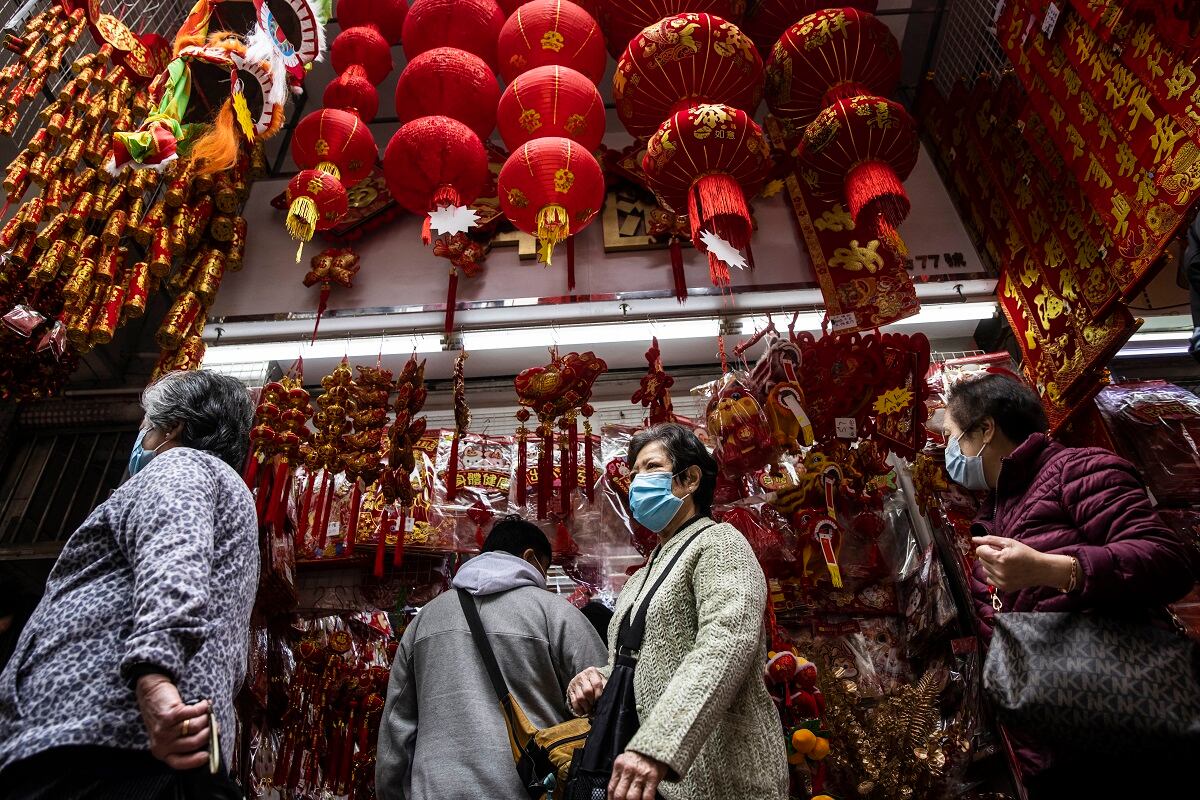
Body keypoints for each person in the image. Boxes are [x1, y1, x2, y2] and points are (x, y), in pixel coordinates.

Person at [0, 370, 258, 798]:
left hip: (112, 741)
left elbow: (173, 564)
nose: (139, 437)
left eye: (144, 425)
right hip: (145, 743)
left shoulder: (183, 465)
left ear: (172, 427)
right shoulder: (221, 487)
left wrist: (155, 681)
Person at [943, 372, 1195, 796]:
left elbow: (1167, 561)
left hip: (1125, 721)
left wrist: (1056, 569)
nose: (951, 453)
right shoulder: (997, 510)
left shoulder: (1078, 470)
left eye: (954, 437)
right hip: (1051, 746)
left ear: (986, 429)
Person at [567, 423, 788, 800]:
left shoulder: (720, 542)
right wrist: (599, 677)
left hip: (717, 777)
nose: (636, 483)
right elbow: (647, 660)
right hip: (650, 781)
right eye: (634, 473)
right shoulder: (643, 573)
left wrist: (657, 745)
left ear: (688, 481)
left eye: (650, 467)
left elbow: (727, 643)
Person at [376, 515, 607, 800]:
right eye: (545, 569)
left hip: (435, 788)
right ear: (530, 558)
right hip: (531, 789)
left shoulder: (424, 620)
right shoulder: (557, 613)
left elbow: (396, 727)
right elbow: (605, 704)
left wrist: (391, 792)